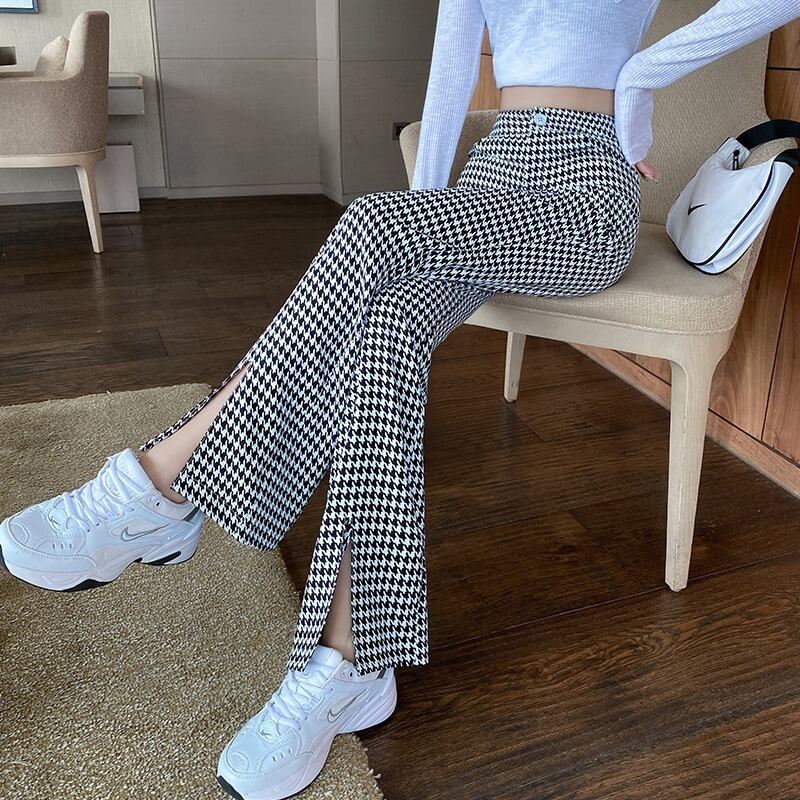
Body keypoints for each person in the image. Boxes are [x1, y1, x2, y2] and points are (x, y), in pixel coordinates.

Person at [2, 1, 798, 798]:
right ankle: (351, 661)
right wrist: (418, 230)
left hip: (586, 192)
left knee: (373, 221)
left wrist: (640, 79)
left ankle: (163, 484)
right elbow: (448, 85)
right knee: (386, 321)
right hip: (492, 179)